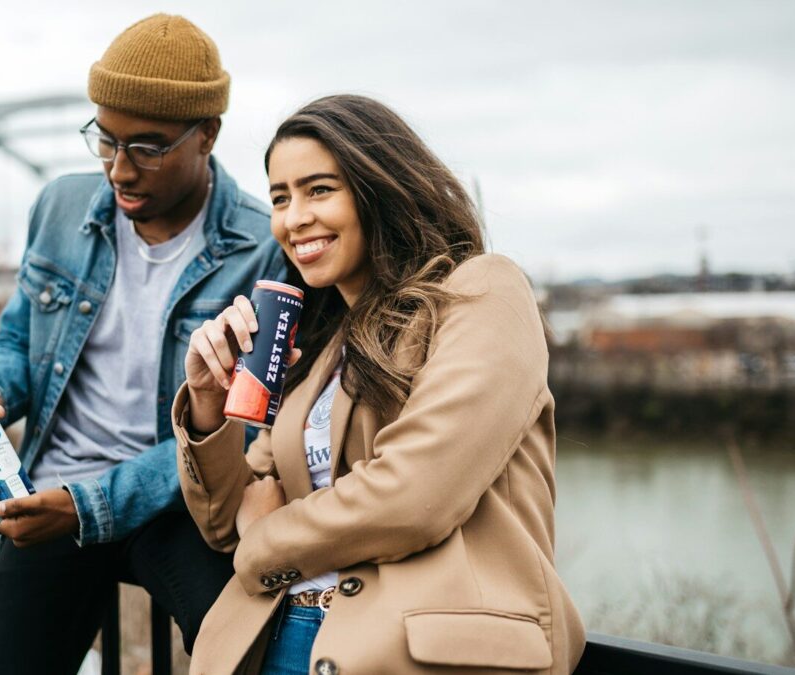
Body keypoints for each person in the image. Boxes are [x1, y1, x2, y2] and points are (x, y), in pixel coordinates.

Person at [175, 95, 586, 674]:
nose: (294, 218)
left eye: (319, 190)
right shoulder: (319, 351)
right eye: (280, 197)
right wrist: (206, 403)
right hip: (277, 641)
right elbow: (224, 522)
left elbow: (415, 495)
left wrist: (265, 536)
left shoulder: (483, 293)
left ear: (379, 187)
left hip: (416, 653)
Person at [0, 14, 285, 674]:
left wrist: (90, 507)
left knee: (247, 651)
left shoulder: (263, 250)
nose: (119, 169)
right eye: (105, 140)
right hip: (54, 494)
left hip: (181, 505)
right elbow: (19, 336)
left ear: (207, 134)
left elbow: (248, 430)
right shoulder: (60, 207)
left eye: (147, 148)